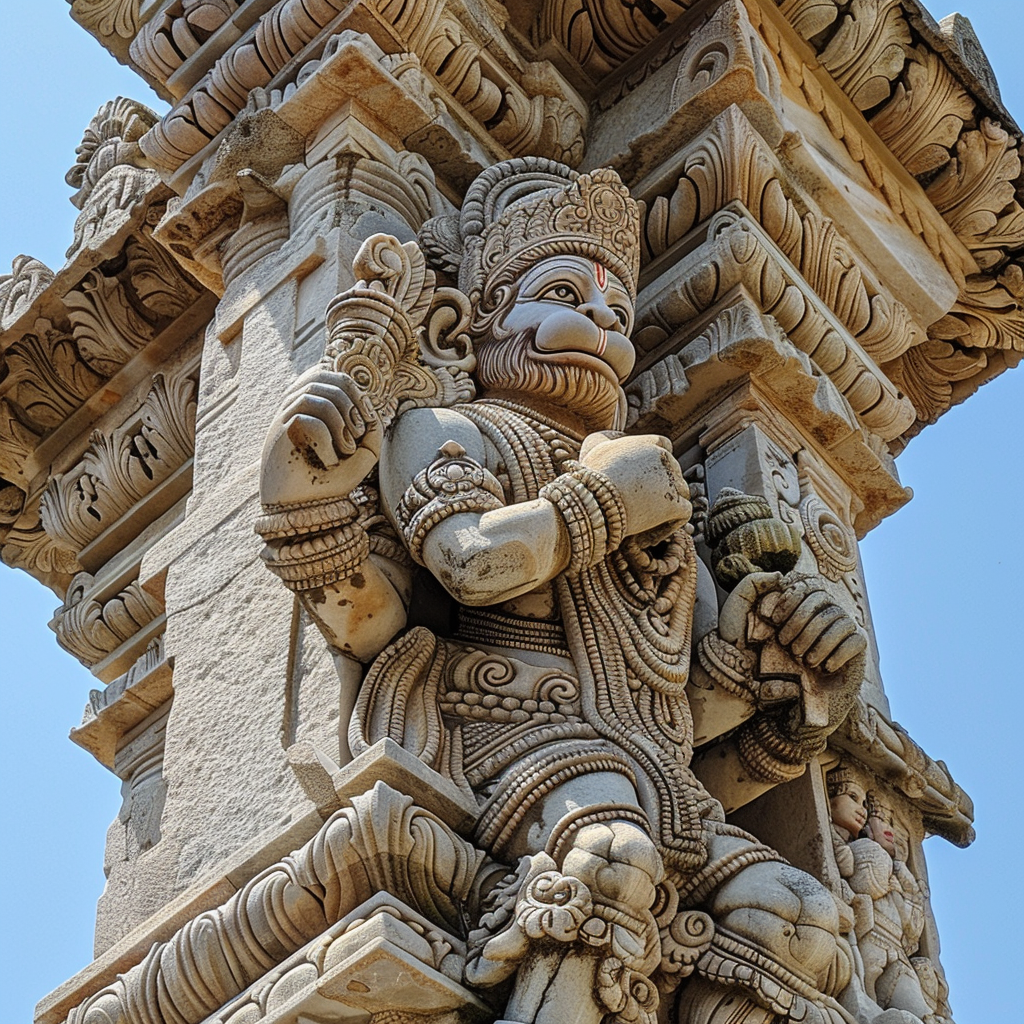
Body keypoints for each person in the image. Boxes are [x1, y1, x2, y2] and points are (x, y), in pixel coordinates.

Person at [258, 158, 870, 1024]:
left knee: (803, 922)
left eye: (619, 313)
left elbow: (682, 719)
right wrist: (598, 505)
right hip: (523, 747)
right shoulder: (455, 429)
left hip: (662, 780)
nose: (600, 324)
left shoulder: (660, 503)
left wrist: (783, 687)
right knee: (608, 863)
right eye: (562, 292)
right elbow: (467, 561)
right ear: (466, 323)